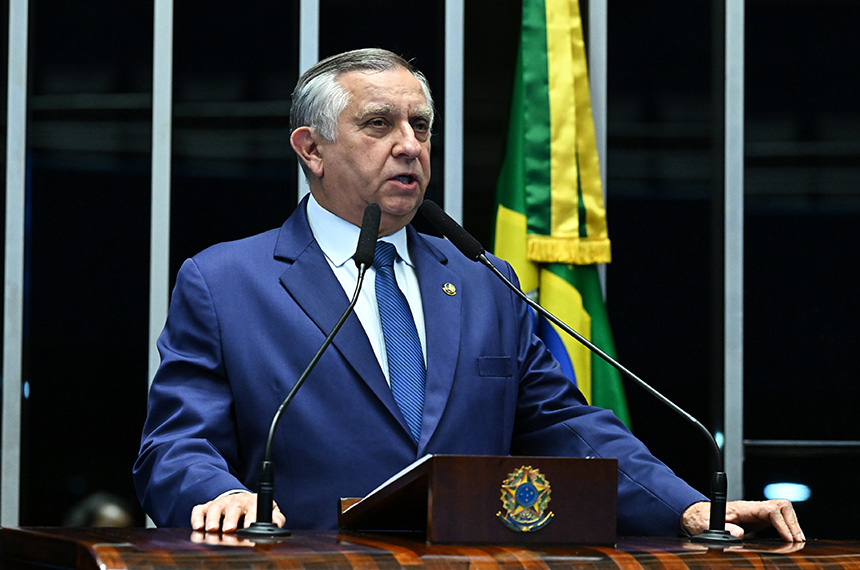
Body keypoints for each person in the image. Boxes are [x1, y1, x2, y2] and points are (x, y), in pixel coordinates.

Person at [133, 48, 804, 541]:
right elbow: (174, 444)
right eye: (378, 125)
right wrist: (219, 492)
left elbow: (564, 426)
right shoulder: (226, 282)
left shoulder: (485, 281)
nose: (409, 146)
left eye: (420, 127)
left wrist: (688, 506)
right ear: (311, 148)